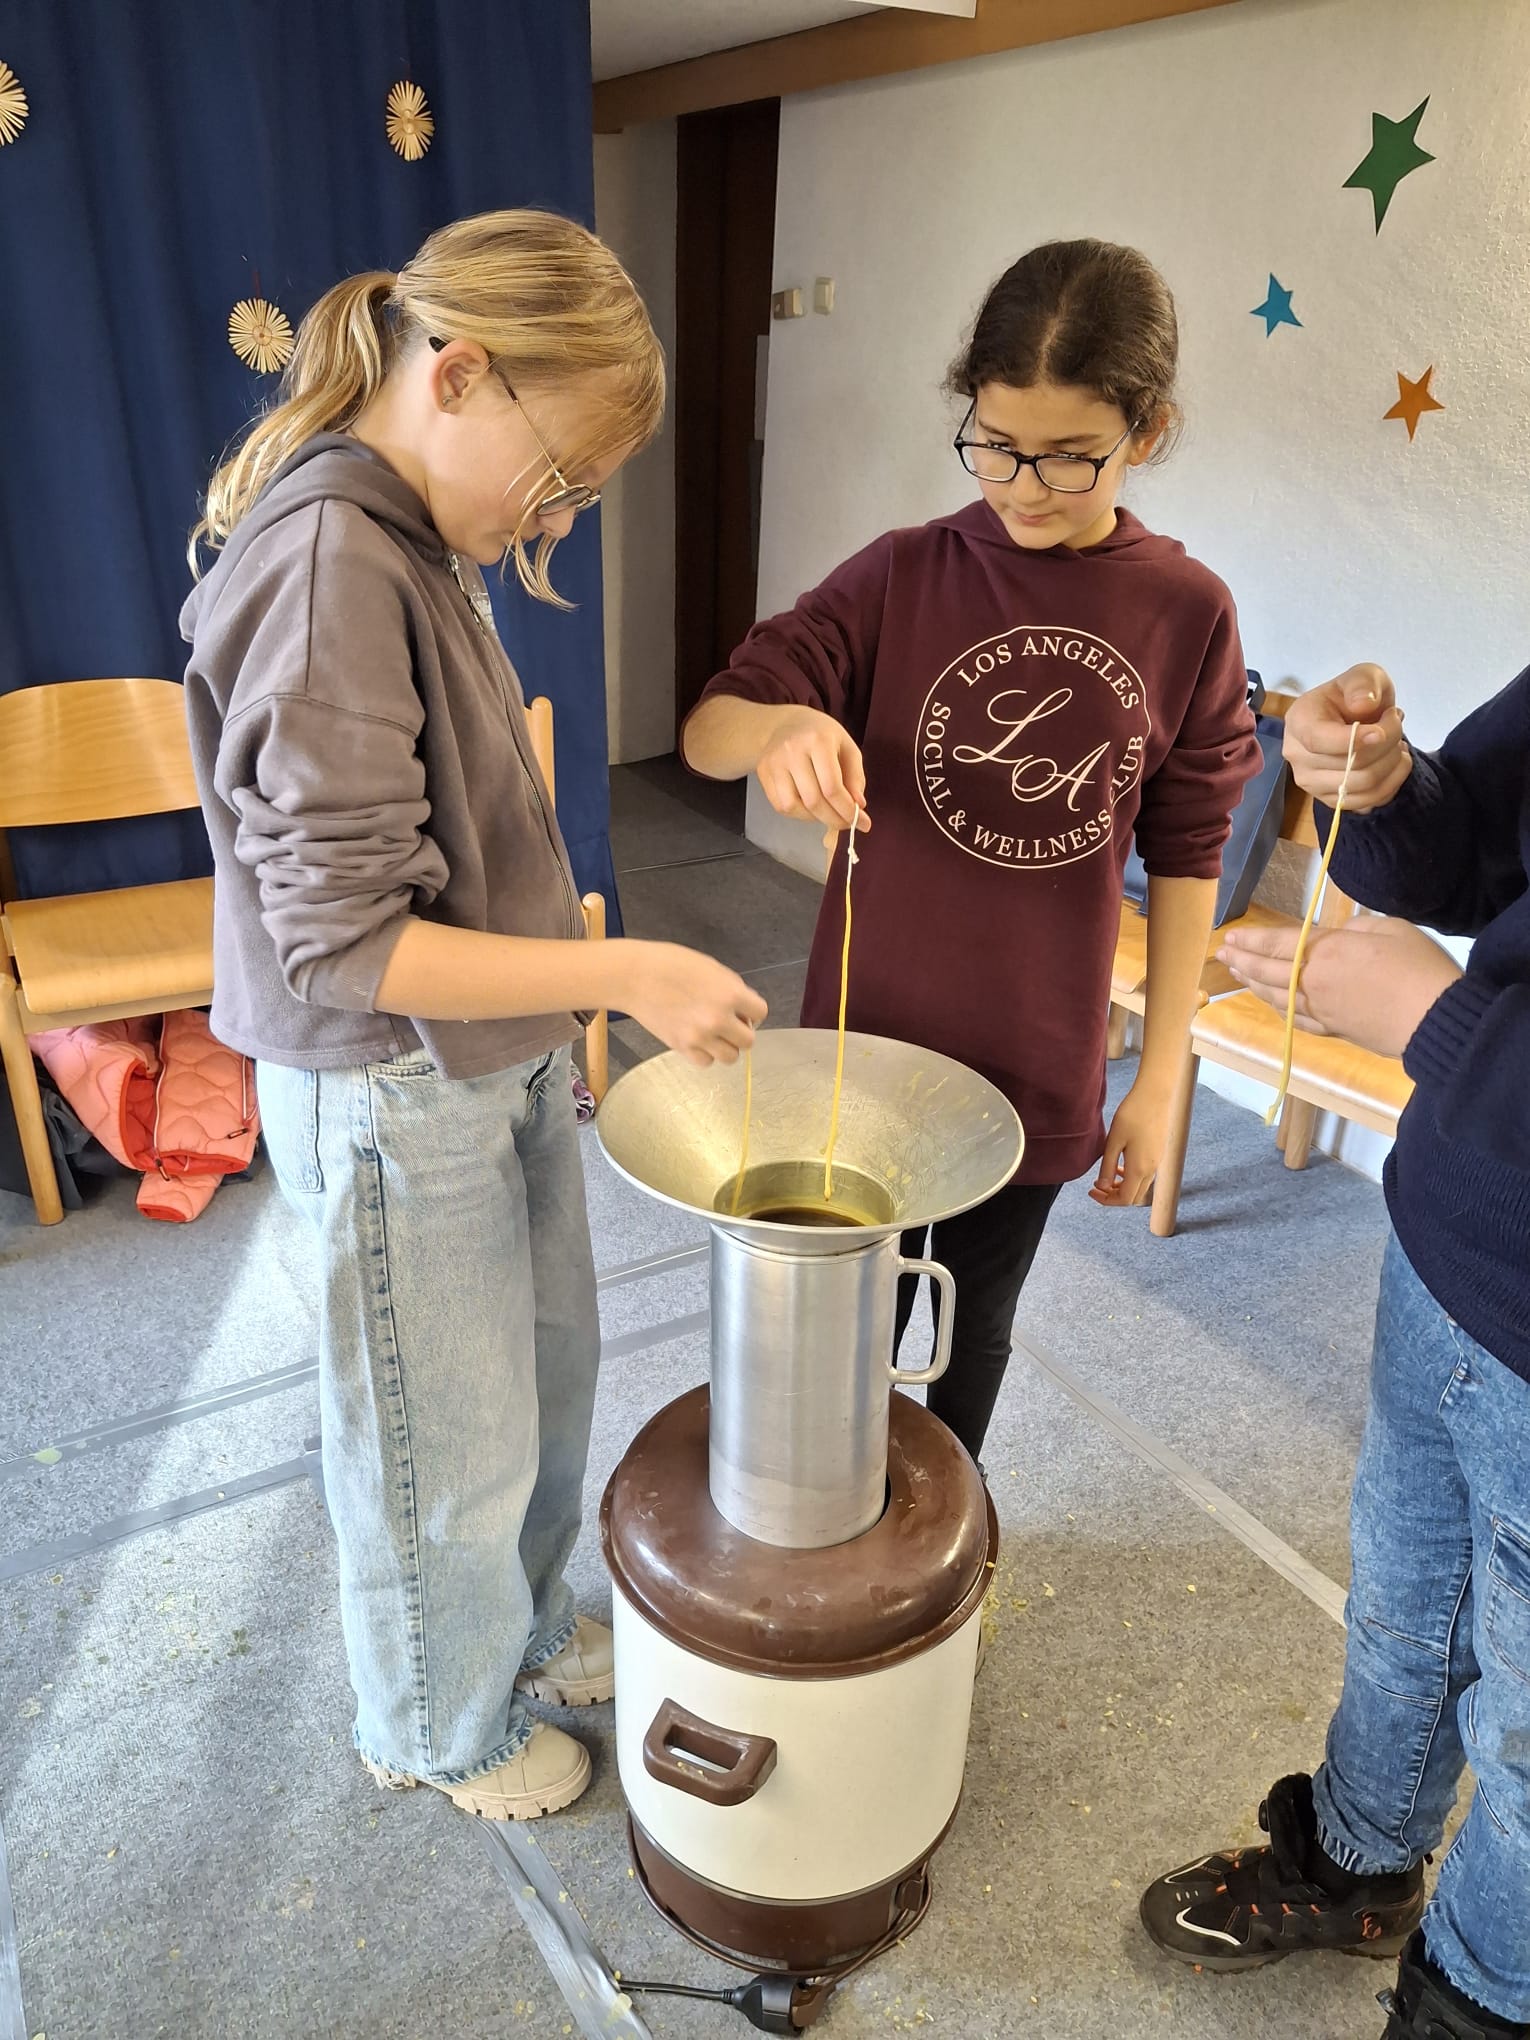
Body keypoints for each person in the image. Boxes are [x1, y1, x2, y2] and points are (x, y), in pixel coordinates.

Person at [181, 211, 766, 1821]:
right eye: (559, 477)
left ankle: (510, 1628)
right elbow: (348, 946)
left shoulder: (415, 535)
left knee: (539, 1380)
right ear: (455, 376)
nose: (554, 518)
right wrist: (615, 972)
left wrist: (572, 986)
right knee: (436, 1437)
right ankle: (435, 1717)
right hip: (385, 1082)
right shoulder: (324, 567)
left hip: (486, 1058)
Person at [683, 238, 1261, 1462]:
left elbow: (1190, 848)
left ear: (1147, 432)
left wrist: (1160, 1076)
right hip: (866, 1056)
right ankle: (837, 1524)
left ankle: (951, 1533)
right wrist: (780, 726)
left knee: (971, 1329)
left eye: (1068, 454)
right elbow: (712, 729)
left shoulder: (1187, 610)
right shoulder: (905, 572)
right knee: (845, 1323)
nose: (1025, 487)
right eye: (995, 444)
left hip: (1035, 1057)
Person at [1139, 664, 1530, 2037]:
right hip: (1453, 1238)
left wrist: (1440, 1025)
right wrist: (1387, 791)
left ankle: (1472, 2002)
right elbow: (1477, 845)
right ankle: (1357, 1860)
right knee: (1404, 1602)